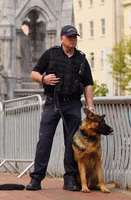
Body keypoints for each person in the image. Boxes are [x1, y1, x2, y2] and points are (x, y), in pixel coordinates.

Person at [26, 25, 94, 191]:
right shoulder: (51, 54)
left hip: (72, 104)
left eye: (75, 37)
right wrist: (44, 79)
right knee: (44, 141)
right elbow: (33, 74)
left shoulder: (81, 59)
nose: (73, 40)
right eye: (70, 37)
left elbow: (88, 84)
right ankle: (36, 179)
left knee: (72, 143)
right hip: (53, 103)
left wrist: (90, 105)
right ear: (62, 38)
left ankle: (69, 179)